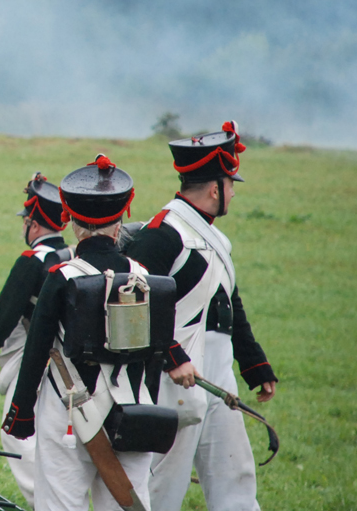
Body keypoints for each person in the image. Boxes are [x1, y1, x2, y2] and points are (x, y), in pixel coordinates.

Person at [125, 121, 277, 511]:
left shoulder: (216, 239)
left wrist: (255, 364)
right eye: (230, 185)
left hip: (217, 370)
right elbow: (135, 305)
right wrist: (172, 355)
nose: (232, 193)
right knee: (164, 481)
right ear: (214, 189)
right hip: (174, 375)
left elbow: (228, 305)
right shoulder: (161, 234)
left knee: (236, 474)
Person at [3, 155, 167, 511]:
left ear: (74, 224)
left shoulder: (61, 277)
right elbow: (157, 353)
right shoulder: (145, 276)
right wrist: (147, 404)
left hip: (67, 414)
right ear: (120, 221)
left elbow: (36, 350)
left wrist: (21, 412)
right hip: (132, 411)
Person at [0, 172, 71, 507]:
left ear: (34, 224)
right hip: (67, 361)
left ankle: (43, 500)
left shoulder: (33, 260)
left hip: (35, 358)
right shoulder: (71, 255)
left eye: (26, 221)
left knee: (16, 433)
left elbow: (7, 311)